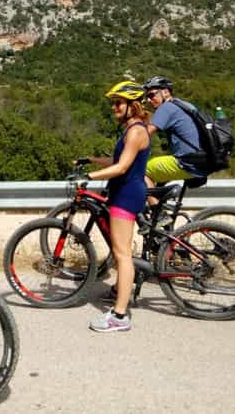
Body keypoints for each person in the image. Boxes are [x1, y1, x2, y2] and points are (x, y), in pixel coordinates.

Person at [81, 81, 151, 332]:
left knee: (122, 255)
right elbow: (117, 160)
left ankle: (119, 316)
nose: (114, 107)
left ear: (133, 105)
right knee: (121, 252)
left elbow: (121, 168)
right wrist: (92, 161)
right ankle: (119, 299)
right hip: (123, 192)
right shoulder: (132, 129)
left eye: (118, 103)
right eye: (113, 103)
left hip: (127, 195)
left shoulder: (136, 131)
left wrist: (89, 177)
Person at [142, 76, 206, 195]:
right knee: (156, 180)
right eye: (147, 97)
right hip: (202, 160)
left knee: (139, 171)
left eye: (151, 95)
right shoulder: (185, 105)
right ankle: (158, 209)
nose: (149, 100)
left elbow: (144, 134)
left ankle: (156, 209)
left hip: (186, 161)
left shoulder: (167, 107)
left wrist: (125, 144)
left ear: (165, 92)